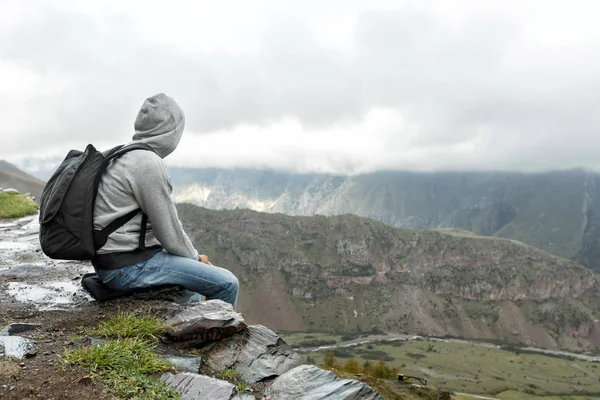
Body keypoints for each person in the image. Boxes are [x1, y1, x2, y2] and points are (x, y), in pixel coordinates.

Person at [91, 93, 239, 308]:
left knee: (191, 281)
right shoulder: (147, 164)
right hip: (127, 268)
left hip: (111, 262)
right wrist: (197, 259)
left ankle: (191, 328)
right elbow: (169, 234)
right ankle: (215, 337)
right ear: (171, 132)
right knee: (227, 283)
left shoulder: (122, 155)